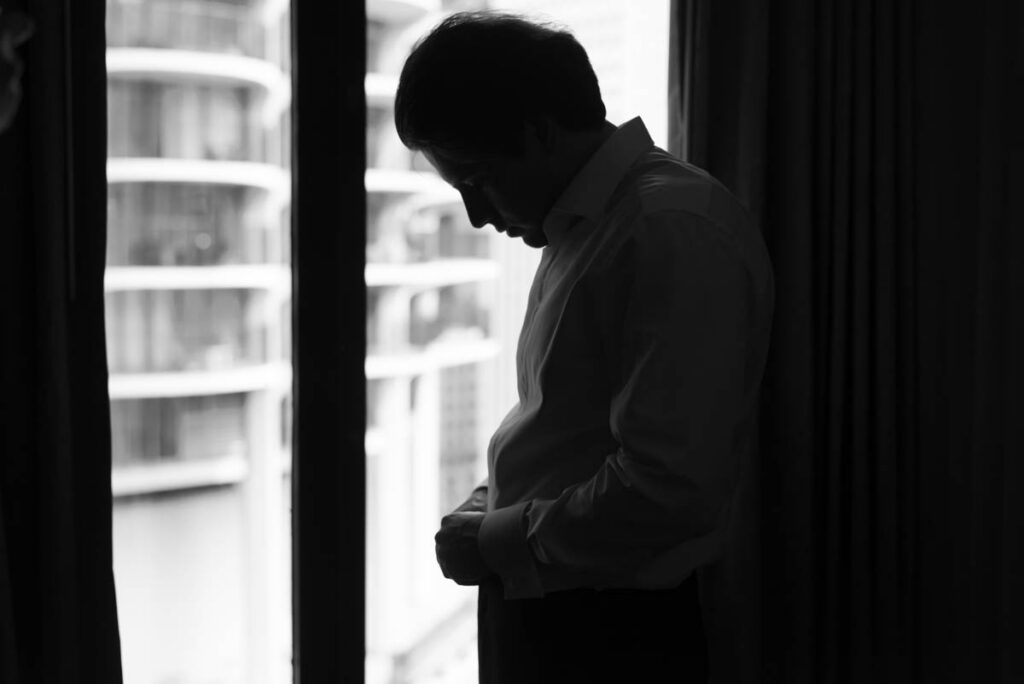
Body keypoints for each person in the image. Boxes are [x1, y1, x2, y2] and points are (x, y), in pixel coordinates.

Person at [395, 11, 774, 683]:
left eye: (476, 180)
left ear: (539, 130)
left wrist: (497, 536)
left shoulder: (666, 230)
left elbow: (667, 489)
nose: (477, 215)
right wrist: (491, 504)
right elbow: (572, 428)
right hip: (567, 610)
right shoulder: (591, 227)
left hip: (603, 634)